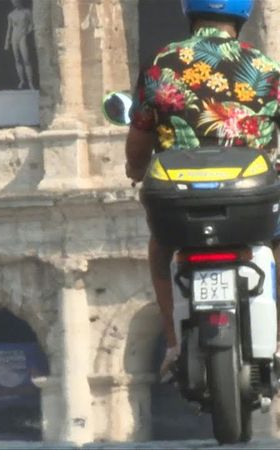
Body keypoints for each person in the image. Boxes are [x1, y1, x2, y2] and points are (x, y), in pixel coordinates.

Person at [125, 0, 280, 379]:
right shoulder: (266, 69)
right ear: (243, 16)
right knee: (276, 242)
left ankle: (174, 345)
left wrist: (134, 169)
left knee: (161, 249)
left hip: (181, 198)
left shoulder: (161, 65)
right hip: (248, 195)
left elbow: (140, 138)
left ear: (190, 12)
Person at [4, 0, 35, 90]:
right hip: (14, 37)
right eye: (13, 2)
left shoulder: (27, 12)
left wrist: (27, 31)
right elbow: (9, 28)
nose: (15, 3)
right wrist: (7, 41)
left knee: (26, 59)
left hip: (23, 36)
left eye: (16, 1)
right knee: (17, 60)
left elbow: (32, 24)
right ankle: (22, 80)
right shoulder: (11, 15)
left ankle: (30, 82)